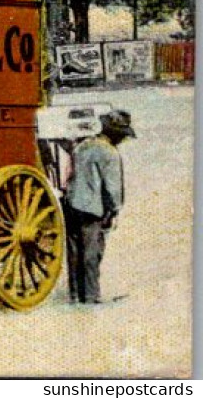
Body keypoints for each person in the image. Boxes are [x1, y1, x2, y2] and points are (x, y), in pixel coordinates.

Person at [64, 109, 134, 304]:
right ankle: (92, 296)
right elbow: (112, 189)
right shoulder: (110, 153)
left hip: (71, 205)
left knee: (74, 253)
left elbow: (69, 176)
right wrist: (114, 211)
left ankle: (75, 295)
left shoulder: (81, 146)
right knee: (92, 253)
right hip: (92, 209)